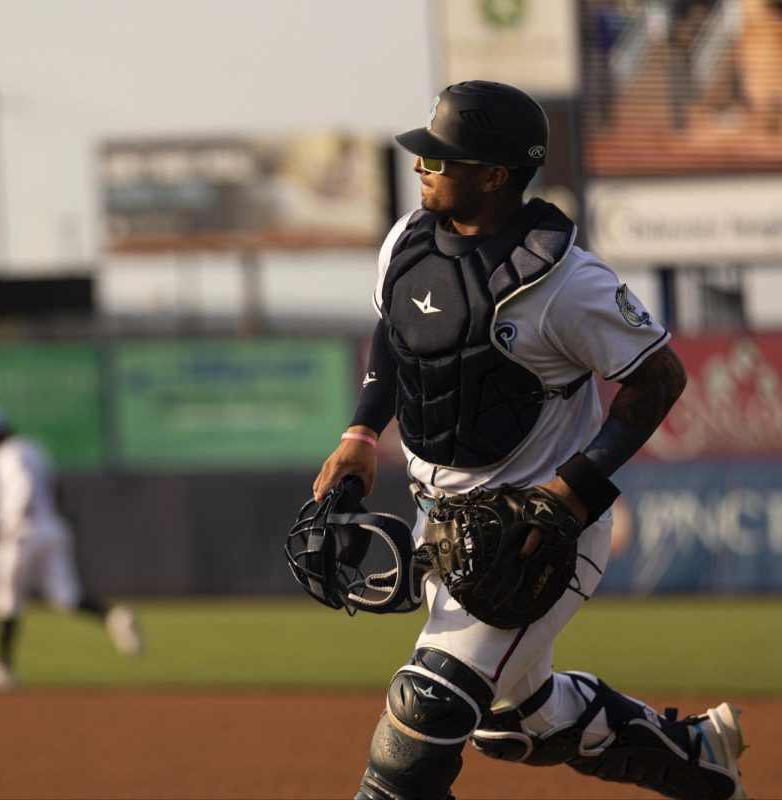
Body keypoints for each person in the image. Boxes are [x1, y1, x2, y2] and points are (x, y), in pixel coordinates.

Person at [312, 81, 747, 799]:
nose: (422, 166)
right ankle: (699, 759)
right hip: (442, 521)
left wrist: (573, 491)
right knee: (517, 720)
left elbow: (659, 378)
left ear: (493, 175)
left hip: (535, 535)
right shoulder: (406, 242)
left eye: (441, 158)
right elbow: (397, 336)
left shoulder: (568, 282)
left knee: (421, 720)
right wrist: (362, 427)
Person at [0, 404, 143, 692]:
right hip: (52, 526)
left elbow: (22, 486)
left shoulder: (5, 455)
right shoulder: (34, 449)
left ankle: (2, 667)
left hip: (22, 530)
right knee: (66, 595)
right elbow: (55, 488)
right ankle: (114, 616)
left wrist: (6, 520)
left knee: (6, 599)